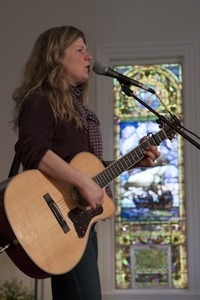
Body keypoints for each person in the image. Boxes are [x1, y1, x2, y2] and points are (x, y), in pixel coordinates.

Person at [12, 26, 161, 300]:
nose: (89, 56)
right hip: (57, 221)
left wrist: (132, 162)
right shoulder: (39, 101)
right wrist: (82, 182)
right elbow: (32, 150)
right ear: (56, 56)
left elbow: (86, 170)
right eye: (80, 50)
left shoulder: (79, 111)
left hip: (78, 222)